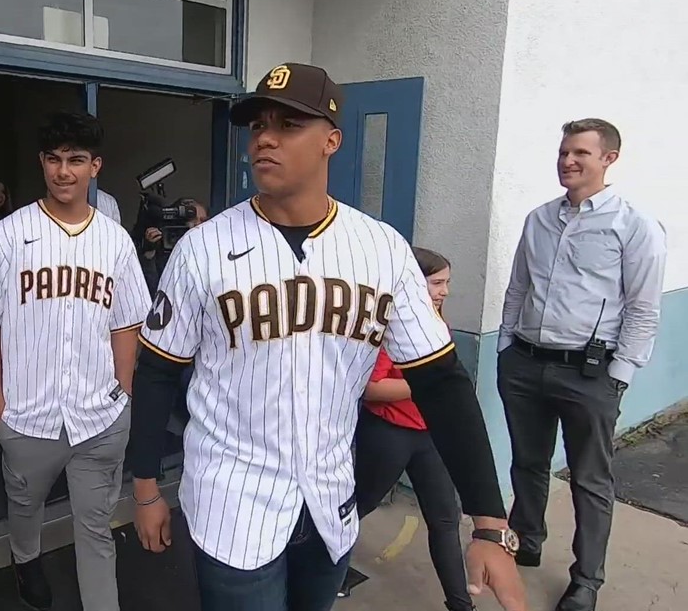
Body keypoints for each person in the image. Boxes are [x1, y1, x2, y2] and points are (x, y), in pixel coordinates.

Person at [126, 62, 527, 611]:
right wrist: (146, 485)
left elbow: (442, 383)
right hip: (232, 500)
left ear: (331, 141)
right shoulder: (202, 248)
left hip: (330, 498)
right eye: (258, 124)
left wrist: (487, 519)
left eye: (289, 124)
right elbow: (156, 370)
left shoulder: (383, 249)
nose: (265, 137)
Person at [0, 110, 151, 611]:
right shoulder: (7, 235)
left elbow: (126, 324)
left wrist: (123, 394)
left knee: (96, 532)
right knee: (25, 508)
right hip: (28, 418)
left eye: (77, 160)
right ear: (42, 163)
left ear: (95, 166)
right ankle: (26, 561)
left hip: (98, 418)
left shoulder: (114, 240)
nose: (65, 171)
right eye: (55, 160)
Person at [498, 118, 666, 611]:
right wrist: (507, 344)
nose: (567, 162)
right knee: (527, 463)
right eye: (563, 152)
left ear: (608, 159)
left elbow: (643, 308)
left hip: (589, 374)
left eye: (580, 154)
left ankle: (586, 579)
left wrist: (620, 374)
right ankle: (527, 541)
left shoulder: (632, 225)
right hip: (526, 364)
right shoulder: (539, 219)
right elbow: (518, 287)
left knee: (590, 480)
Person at [342, 247, 474, 611]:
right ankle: (325, 572)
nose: (445, 291)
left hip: (428, 435)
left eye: (447, 282)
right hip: (389, 434)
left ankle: (461, 604)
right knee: (358, 507)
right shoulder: (389, 326)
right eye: (437, 283)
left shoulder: (437, 322)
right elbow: (373, 388)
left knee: (445, 517)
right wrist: (431, 383)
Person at [137, 197, 209, 294]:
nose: (197, 224)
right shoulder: (162, 249)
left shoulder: (211, 252)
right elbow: (153, 290)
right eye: (192, 220)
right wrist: (149, 252)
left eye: (203, 221)